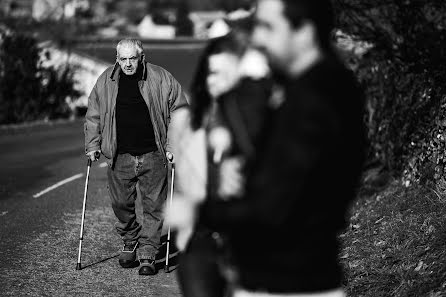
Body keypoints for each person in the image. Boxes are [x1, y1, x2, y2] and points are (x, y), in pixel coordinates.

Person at [197, 0, 367, 296]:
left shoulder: (315, 99)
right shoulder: (300, 88)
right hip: (281, 278)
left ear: (304, 31)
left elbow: (273, 207)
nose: (258, 38)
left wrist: (196, 212)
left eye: (268, 27)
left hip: (290, 285)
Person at [166, 31, 272, 297]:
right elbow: (186, 185)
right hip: (200, 239)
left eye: (227, 73)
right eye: (212, 72)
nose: (217, 81)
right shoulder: (185, 123)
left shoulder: (262, 121)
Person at [84, 38, 188, 276]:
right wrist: (92, 144)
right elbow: (93, 114)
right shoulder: (106, 82)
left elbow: (180, 110)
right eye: (124, 59)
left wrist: (173, 145)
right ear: (117, 59)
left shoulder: (161, 78)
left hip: (154, 153)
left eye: (133, 58)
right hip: (120, 154)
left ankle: (148, 254)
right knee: (121, 204)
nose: (128, 64)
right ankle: (130, 240)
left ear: (142, 57)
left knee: (154, 206)